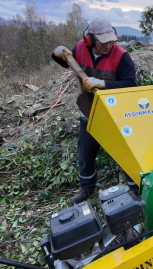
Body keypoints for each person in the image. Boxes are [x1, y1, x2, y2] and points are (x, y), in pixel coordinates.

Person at [52, 18, 137, 204]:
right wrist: (58, 55)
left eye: (111, 41)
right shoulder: (80, 49)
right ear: (90, 40)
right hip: (88, 113)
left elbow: (131, 84)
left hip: (113, 116)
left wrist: (103, 83)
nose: (108, 46)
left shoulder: (121, 56)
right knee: (85, 154)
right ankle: (87, 189)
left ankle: (134, 189)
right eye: (103, 42)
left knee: (125, 154)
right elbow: (68, 62)